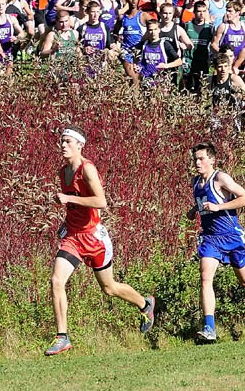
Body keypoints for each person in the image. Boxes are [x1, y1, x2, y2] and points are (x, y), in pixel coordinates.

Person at [46, 126, 155, 356]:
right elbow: (75, 206)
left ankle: (145, 305)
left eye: (67, 141)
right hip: (74, 238)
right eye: (61, 141)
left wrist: (68, 198)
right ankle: (62, 337)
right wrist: (66, 221)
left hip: (95, 237)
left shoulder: (87, 169)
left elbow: (101, 201)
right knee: (57, 281)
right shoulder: (62, 172)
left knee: (109, 287)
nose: (63, 145)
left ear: (79, 145)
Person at [190, 142, 245, 341]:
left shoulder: (220, 178)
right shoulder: (195, 182)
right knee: (205, 276)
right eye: (195, 159)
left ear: (212, 159)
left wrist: (220, 207)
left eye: (201, 158)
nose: (197, 163)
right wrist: (195, 211)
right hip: (210, 237)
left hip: (231, 236)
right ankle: (209, 328)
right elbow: (203, 204)